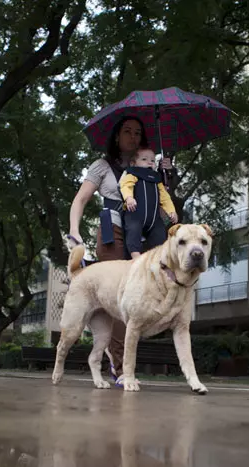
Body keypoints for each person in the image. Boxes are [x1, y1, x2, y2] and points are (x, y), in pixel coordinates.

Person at [68, 116, 176, 386]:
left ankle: (121, 361)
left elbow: (162, 208)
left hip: (140, 237)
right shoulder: (102, 167)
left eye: (138, 132)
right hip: (113, 234)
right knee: (120, 298)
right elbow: (80, 200)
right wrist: (74, 233)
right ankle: (119, 367)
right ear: (116, 136)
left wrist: (165, 174)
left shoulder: (149, 165)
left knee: (140, 299)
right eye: (127, 131)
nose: (133, 136)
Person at [120, 147, 178, 260]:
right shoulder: (132, 174)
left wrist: (171, 211)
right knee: (133, 230)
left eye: (152, 160)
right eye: (144, 159)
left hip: (154, 218)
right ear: (133, 163)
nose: (149, 162)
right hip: (135, 214)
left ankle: (159, 258)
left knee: (160, 234)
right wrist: (129, 198)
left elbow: (165, 197)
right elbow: (125, 185)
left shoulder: (156, 179)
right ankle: (136, 257)